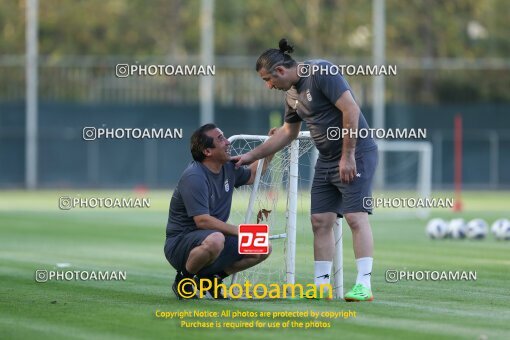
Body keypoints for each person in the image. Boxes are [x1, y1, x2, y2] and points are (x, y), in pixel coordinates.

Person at [232, 39, 378, 302]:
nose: (268, 86)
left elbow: (351, 110)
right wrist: (251, 155)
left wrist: (347, 156)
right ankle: (321, 286)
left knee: (356, 219)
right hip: (326, 159)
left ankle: (363, 285)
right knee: (319, 221)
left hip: (356, 154)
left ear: (279, 71)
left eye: (267, 79)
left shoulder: (322, 72)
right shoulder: (290, 95)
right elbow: (288, 133)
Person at [164, 123, 275, 299]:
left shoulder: (228, 168)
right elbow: (202, 221)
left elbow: (253, 174)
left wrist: (271, 146)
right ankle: (183, 280)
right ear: (207, 151)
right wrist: (241, 231)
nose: (227, 142)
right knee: (217, 239)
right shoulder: (194, 177)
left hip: (215, 238)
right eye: (220, 139)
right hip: (181, 245)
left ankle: (210, 279)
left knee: (262, 247)